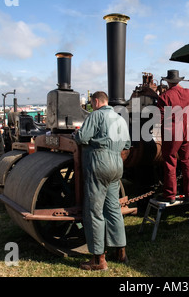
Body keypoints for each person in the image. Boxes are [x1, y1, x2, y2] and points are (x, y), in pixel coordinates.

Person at [74, 91, 131, 271]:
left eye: (91, 103)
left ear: (96, 102)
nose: (91, 106)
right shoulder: (120, 119)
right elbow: (127, 145)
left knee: (94, 211)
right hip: (116, 165)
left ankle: (98, 259)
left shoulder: (96, 115)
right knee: (113, 208)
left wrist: (76, 134)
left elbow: (82, 138)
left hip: (98, 164)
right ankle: (121, 252)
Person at [156, 70, 189, 204]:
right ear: (178, 81)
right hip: (186, 131)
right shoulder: (187, 93)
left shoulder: (164, 97)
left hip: (172, 133)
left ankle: (170, 195)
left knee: (170, 163)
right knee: (187, 162)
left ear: (168, 81)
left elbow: (159, 118)